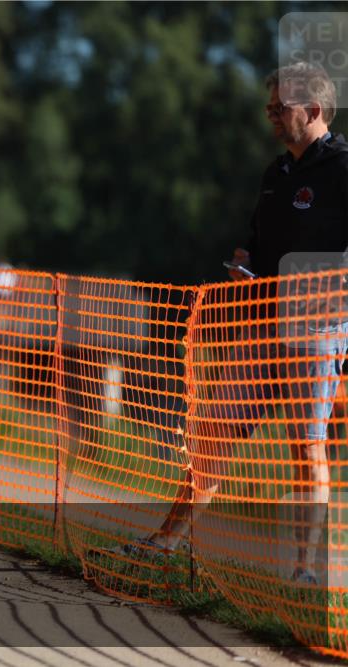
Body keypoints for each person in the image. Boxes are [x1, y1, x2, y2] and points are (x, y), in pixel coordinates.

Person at [129, 63, 348, 585]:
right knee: (212, 432)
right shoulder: (276, 174)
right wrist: (243, 259)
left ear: (313, 111)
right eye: (269, 106)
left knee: (306, 446)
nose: (270, 115)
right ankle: (167, 541)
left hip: (318, 327)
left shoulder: (343, 168)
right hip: (260, 326)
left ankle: (305, 571)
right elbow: (256, 236)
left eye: (281, 107)